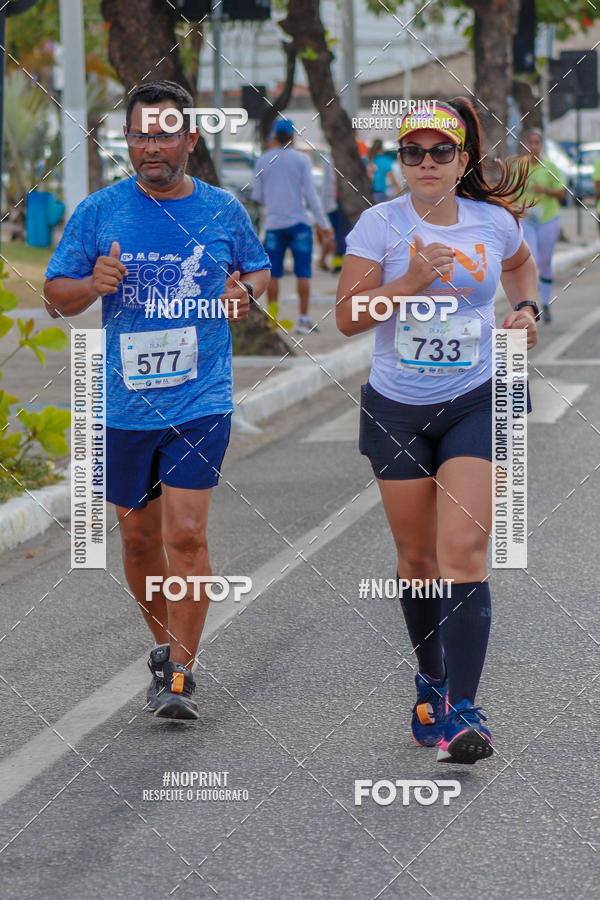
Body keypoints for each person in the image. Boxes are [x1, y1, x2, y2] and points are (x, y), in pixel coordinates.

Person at [44, 80, 271, 721]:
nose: (152, 146)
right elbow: (56, 296)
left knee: (187, 534)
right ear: (127, 139)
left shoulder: (222, 209)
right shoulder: (99, 212)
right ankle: (165, 645)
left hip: (200, 399)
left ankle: (179, 674)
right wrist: (92, 284)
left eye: (165, 134)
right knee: (140, 540)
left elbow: (256, 268)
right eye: (141, 134)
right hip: (124, 405)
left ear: (190, 140)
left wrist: (245, 293)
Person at [336, 98, 538, 765]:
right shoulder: (380, 225)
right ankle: (431, 677)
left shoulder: (493, 221)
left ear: (462, 159)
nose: (427, 162)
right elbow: (349, 317)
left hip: (479, 397)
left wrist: (526, 309)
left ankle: (463, 711)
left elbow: (520, 265)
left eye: (440, 151)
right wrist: (409, 282)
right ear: (401, 161)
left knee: (465, 548)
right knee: (419, 560)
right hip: (397, 408)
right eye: (413, 152)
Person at [252, 118, 334, 335]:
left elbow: (257, 196)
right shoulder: (302, 160)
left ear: (274, 136)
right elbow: (311, 195)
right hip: (299, 223)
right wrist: (324, 224)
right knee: (303, 274)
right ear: (292, 137)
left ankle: (272, 320)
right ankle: (303, 321)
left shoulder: (263, 161)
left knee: (273, 275)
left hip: (273, 224)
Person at [520, 129, 565, 324]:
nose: (533, 146)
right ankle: (530, 305)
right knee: (531, 260)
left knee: (545, 261)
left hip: (548, 219)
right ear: (525, 145)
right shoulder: (518, 167)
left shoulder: (550, 167)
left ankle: (546, 303)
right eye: (530, 142)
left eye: (536, 142)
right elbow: (509, 192)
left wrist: (544, 190)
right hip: (527, 221)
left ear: (541, 145)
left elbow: (562, 194)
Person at [367, 138, 401, 203]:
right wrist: (400, 193)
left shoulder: (369, 159)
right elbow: (392, 179)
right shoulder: (385, 160)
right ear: (382, 149)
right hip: (379, 193)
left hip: (367, 192)